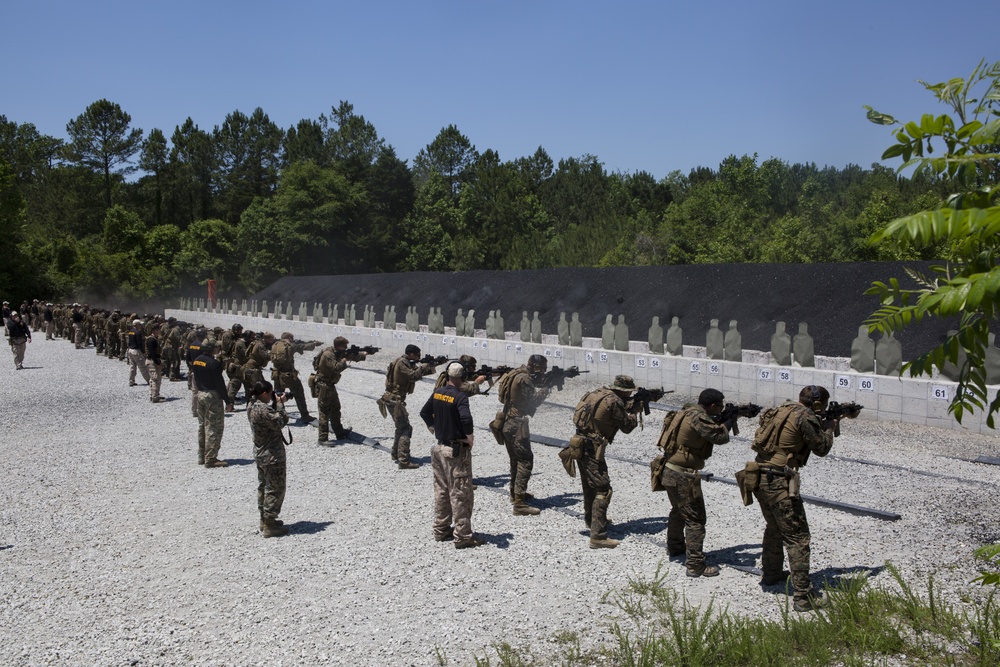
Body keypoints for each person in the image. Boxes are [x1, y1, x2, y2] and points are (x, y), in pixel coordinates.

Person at [738, 385, 842, 612]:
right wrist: (830, 428)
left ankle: (772, 574)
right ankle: (803, 597)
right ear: (816, 404)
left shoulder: (780, 410)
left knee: (774, 527)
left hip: (758, 476)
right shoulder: (805, 415)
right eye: (821, 406)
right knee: (798, 537)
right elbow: (821, 448)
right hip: (779, 481)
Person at [658, 388, 732, 577]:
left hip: (669, 470)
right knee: (695, 520)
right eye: (720, 407)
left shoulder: (686, 411)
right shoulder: (699, 418)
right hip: (682, 475)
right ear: (713, 405)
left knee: (679, 511)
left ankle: (675, 547)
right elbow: (720, 437)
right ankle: (695, 565)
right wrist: (728, 423)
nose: (720, 411)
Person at [570, 375, 639, 548]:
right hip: (593, 447)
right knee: (603, 489)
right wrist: (634, 412)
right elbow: (627, 427)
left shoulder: (596, 394)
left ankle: (591, 521)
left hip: (579, 442)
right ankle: (598, 536)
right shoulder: (614, 401)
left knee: (589, 486)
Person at [420, 362, 481, 549]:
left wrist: (435, 428)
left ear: (447, 375)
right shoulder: (460, 396)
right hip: (455, 451)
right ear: (463, 377)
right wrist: (468, 437)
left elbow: (424, 412)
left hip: (438, 448)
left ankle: (441, 529)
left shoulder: (438, 392)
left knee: (441, 490)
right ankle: (462, 536)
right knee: (461, 492)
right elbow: (466, 419)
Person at [495, 354, 550, 515]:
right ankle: (519, 504)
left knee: (515, 459)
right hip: (517, 423)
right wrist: (546, 389)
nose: (543, 372)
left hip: (507, 420)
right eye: (543, 369)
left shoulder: (516, 373)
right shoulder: (525, 379)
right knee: (526, 461)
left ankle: (516, 493)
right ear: (537, 367)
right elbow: (533, 401)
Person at [379, 344, 438, 469]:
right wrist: (425, 366)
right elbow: (413, 376)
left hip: (393, 399)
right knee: (406, 428)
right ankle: (404, 460)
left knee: (400, 427)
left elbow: (418, 372)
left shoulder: (403, 362)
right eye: (417, 355)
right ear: (411, 354)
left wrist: (434, 364)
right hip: (395, 400)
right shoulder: (402, 364)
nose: (418, 358)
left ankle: (395, 453)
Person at [248, 380, 291, 538]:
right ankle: (270, 525)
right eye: (271, 393)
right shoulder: (264, 410)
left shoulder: (252, 406)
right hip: (272, 455)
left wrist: (275, 402)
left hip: (261, 454)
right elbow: (281, 421)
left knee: (263, 487)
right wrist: (280, 404)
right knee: (275, 488)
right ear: (265, 393)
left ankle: (264, 519)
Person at [314, 336, 367, 445]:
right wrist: (344, 360)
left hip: (330, 385)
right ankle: (322, 439)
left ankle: (339, 432)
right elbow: (337, 368)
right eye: (344, 347)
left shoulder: (337, 352)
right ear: (338, 346)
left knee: (335, 409)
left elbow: (353, 357)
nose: (346, 348)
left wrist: (364, 355)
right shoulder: (328, 354)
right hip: (323, 385)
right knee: (324, 411)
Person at [191, 340, 234, 467]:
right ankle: (211, 458)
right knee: (214, 427)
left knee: (202, 426)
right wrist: (228, 401)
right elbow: (220, 384)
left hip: (201, 394)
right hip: (212, 395)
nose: (218, 349)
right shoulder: (214, 363)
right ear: (211, 349)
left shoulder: (197, 360)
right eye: (216, 347)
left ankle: (202, 455)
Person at [269, 332, 321, 423]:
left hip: (276, 374)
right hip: (289, 375)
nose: (293, 339)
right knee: (299, 394)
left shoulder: (275, 345)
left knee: (278, 394)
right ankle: (304, 415)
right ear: (288, 337)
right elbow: (303, 346)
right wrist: (314, 344)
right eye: (292, 337)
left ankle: (277, 414)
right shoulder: (290, 345)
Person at [145, 323, 166, 403]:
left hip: (153, 360)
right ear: (154, 330)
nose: (160, 331)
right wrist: (158, 362)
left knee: (154, 379)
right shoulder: (151, 340)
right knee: (155, 379)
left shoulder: (154, 339)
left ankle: (154, 394)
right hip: (152, 361)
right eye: (158, 329)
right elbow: (152, 353)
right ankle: (155, 397)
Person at [126, 319, 151, 387]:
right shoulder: (138, 333)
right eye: (140, 324)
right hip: (136, 351)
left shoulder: (130, 331)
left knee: (132, 367)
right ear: (136, 325)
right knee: (142, 366)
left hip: (130, 350)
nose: (140, 326)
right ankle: (149, 380)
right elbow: (140, 343)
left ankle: (131, 381)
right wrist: (143, 352)